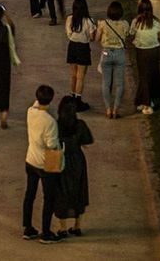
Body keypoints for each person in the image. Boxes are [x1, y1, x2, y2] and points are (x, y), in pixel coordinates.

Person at [22, 84, 63, 244]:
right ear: (51, 100)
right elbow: (51, 144)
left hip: (31, 158)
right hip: (45, 163)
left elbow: (35, 105)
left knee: (30, 194)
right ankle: (46, 232)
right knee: (48, 198)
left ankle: (28, 227)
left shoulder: (30, 112)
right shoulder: (50, 121)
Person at [54, 96, 94, 238]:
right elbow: (88, 140)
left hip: (61, 160)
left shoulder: (56, 125)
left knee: (61, 192)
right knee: (79, 190)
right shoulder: (80, 125)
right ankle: (77, 226)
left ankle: (62, 228)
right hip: (77, 159)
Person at [129, 0, 160, 115]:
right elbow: (159, 35)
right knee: (151, 75)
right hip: (153, 51)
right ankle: (143, 99)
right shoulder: (156, 22)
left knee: (143, 77)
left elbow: (131, 33)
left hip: (141, 51)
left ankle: (146, 103)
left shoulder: (136, 22)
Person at [95, 1, 130, 118]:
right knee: (120, 83)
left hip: (106, 53)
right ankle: (116, 109)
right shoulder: (125, 24)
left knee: (106, 83)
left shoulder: (103, 24)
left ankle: (108, 109)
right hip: (119, 53)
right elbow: (127, 35)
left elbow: (97, 38)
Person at [65, 0, 96, 111]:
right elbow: (92, 37)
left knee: (73, 75)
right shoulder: (88, 21)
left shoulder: (70, 19)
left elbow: (68, 34)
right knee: (80, 77)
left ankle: (72, 97)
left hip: (72, 46)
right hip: (83, 48)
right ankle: (78, 101)